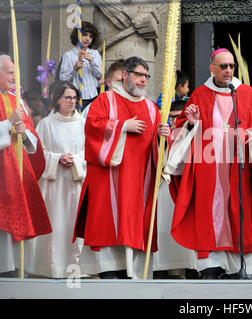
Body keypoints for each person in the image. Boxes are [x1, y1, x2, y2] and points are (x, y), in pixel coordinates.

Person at [164, 48, 252, 279]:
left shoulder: (244, 93)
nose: (228, 70)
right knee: (210, 213)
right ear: (211, 68)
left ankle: (240, 266)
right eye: (223, 66)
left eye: (231, 66)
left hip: (241, 166)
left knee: (240, 211)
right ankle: (211, 265)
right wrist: (192, 124)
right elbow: (182, 129)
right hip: (209, 167)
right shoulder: (199, 95)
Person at [73, 56, 171, 279]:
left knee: (136, 223)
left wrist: (164, 137)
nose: (143, 80)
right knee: (110, 221)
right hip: (111, 178)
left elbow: (160, 149)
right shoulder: (106, 100)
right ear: (125, 75)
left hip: (140, 181)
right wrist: (122, 126)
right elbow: (92, 128)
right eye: (138, 75)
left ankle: (135, 271)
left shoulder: (150, 108)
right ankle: (109, 269)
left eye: (146, 76)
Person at [24, 82, 86, 278]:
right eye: (68, 97)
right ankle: (52, 267)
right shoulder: (46, 124)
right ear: (57, 99)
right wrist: (57, 158)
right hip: (54, 183)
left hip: (76, 181)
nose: (72, 101)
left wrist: (75, 160)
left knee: (74, 225)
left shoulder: (82, 123)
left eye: (74, 98)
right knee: (56, 224)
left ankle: (75, 268)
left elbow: (88, 151)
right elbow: (38, 153)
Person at [0, 54, 51, 276]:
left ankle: (16, 269)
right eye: (10, 72)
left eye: (15, 72)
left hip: (17, 169)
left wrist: (25, 133)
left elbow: (31, 134)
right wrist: (7, 125)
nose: (14, 77)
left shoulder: (16, 100)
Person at [153, 99, 198, 279]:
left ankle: (181, 268)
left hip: (182, 187)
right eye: (170, 117)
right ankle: (161, 267)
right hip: (161, 187)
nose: (173, 122)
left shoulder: (187, 130)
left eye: (176, 118)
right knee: (161, 226)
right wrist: (160, 138)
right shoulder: (160, 131)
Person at [59, 21, 102, 111]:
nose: (87, 39)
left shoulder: (95, 54)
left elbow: (99, 74)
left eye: (90, 36)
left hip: (92, 96)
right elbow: (62, 78)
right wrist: (74, 69)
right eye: (85, 35)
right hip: (75, 98)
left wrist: (91, 61)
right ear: (78, 35)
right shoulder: (68, 55)